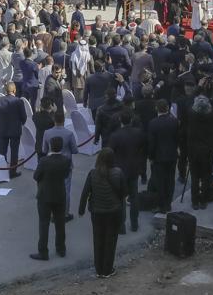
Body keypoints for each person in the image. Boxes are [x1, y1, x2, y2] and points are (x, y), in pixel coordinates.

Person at [78, 148, 126, 278]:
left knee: (98, 239)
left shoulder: (93, 173)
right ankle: (107, 269)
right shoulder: (118, 173)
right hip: (113, 211)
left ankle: (98, 269)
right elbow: (123, 193)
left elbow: (85, 193)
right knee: (110, 240)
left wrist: (81, 210)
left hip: (97, 212)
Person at [31, 136, 71, 261]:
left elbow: (36, 176)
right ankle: (61, 249)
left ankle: (43, 251)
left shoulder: (44, 161)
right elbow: (66, 175)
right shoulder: (66, 160)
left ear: (50, 146)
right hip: (59, 194)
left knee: (44, 224)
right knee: (60, 224)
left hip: (45, 195)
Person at [107, 111, 146, 232]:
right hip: (134, 167)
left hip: (120, 169)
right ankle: (134, 224)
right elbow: (143, 149)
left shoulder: (115, 135)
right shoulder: (138, 133)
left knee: (120, 198)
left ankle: (121, 225)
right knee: (134, 196)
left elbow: (109, 152)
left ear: (120, 120)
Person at [43, 111, 79, 221]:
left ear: (54, 120)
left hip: (51, 164)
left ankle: (53, 213)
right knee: (66, 189)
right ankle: (65, 213)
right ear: (63, 120)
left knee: (52, 188)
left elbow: (44, 150)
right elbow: (74, 150)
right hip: (65, 164)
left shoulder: (47, 133)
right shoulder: (69, 133)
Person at [147, 99, 179, 213]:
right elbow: (177, 138)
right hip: (171, 155)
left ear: (157, 108)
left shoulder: (153, 123)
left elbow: (152, 143)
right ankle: (168, 203)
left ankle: (161, 205)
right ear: (167, 108)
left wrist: (150, 157)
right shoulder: (174, 122)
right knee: (170, 180)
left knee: (160, 182)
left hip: (158, 157)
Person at [0, 83, 28, 178]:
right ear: (14, 90)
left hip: (3, 130)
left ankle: (3, 171)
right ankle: (12, 172)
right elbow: (24, 117)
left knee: (2, 152)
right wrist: (20, 124)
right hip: (15, 130)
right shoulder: (19, 101)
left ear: (5, 91)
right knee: (14, 152)